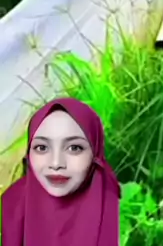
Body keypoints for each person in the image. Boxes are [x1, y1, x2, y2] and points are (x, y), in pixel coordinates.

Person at [1, 98, 120, 246]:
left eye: (74, 148)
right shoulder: (13, 204)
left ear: (95, 151)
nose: (56, 163)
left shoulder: (124, 212)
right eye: (42, 148)